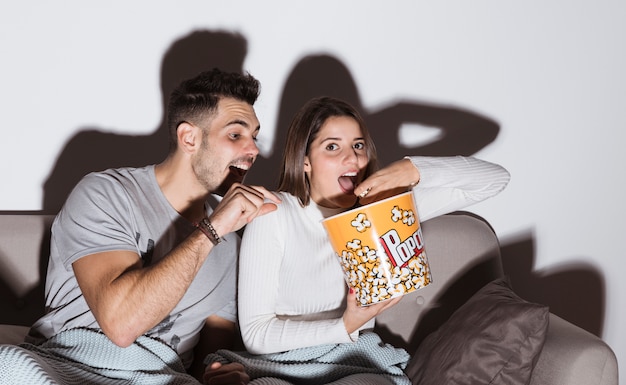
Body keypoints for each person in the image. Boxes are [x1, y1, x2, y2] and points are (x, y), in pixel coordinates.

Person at [0, 68, 280, 384]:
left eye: (254, 137)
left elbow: (210, 357)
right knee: (8, 365)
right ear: (189, 137)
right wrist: (212, 230)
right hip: (73, 366)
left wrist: (215, 375)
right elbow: (120, 324)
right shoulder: (106, 194)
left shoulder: (233, 241)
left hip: (162, 377)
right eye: (235, 135)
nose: (254, 150)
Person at [211, 96, 510, 384]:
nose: (352, 158)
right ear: (305, 161)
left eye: (358, 145)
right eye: (332, 147)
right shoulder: (275, 214)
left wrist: (412, 169)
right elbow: (256, 335)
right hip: (279, 366)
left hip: (355, 361)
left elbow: (496, 179)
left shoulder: (384, 213)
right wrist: (345, 325)